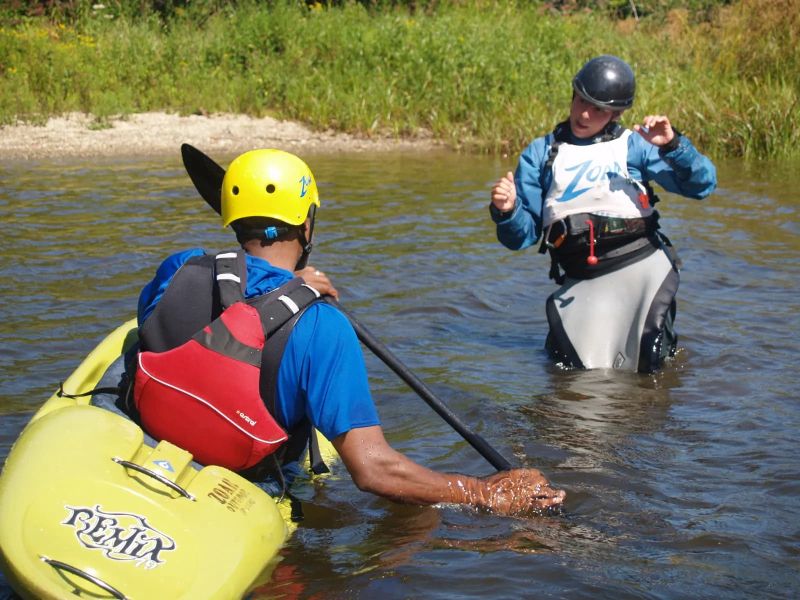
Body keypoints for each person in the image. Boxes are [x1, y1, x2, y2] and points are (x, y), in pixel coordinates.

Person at [129, 147, 565, 516]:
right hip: (243, 480)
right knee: (415, 526)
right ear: (306, 224)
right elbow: (372, 471)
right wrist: (483, 492)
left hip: (152, 441)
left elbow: (223, 308)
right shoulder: (323, 327)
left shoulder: (178, 268)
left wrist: (290, 287)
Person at [490, 55, 717, 373]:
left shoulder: (635, 146)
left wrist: (674, 146)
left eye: (598, 108)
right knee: (569, 374)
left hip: (643, 273)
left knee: (653, 370)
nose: (584, 113)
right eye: (581, 101)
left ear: (617, 113)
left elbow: (701, 185)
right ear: (572, 95)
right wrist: (507, 211)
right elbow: (521, 237)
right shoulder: (541, 154)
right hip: (582, 281)